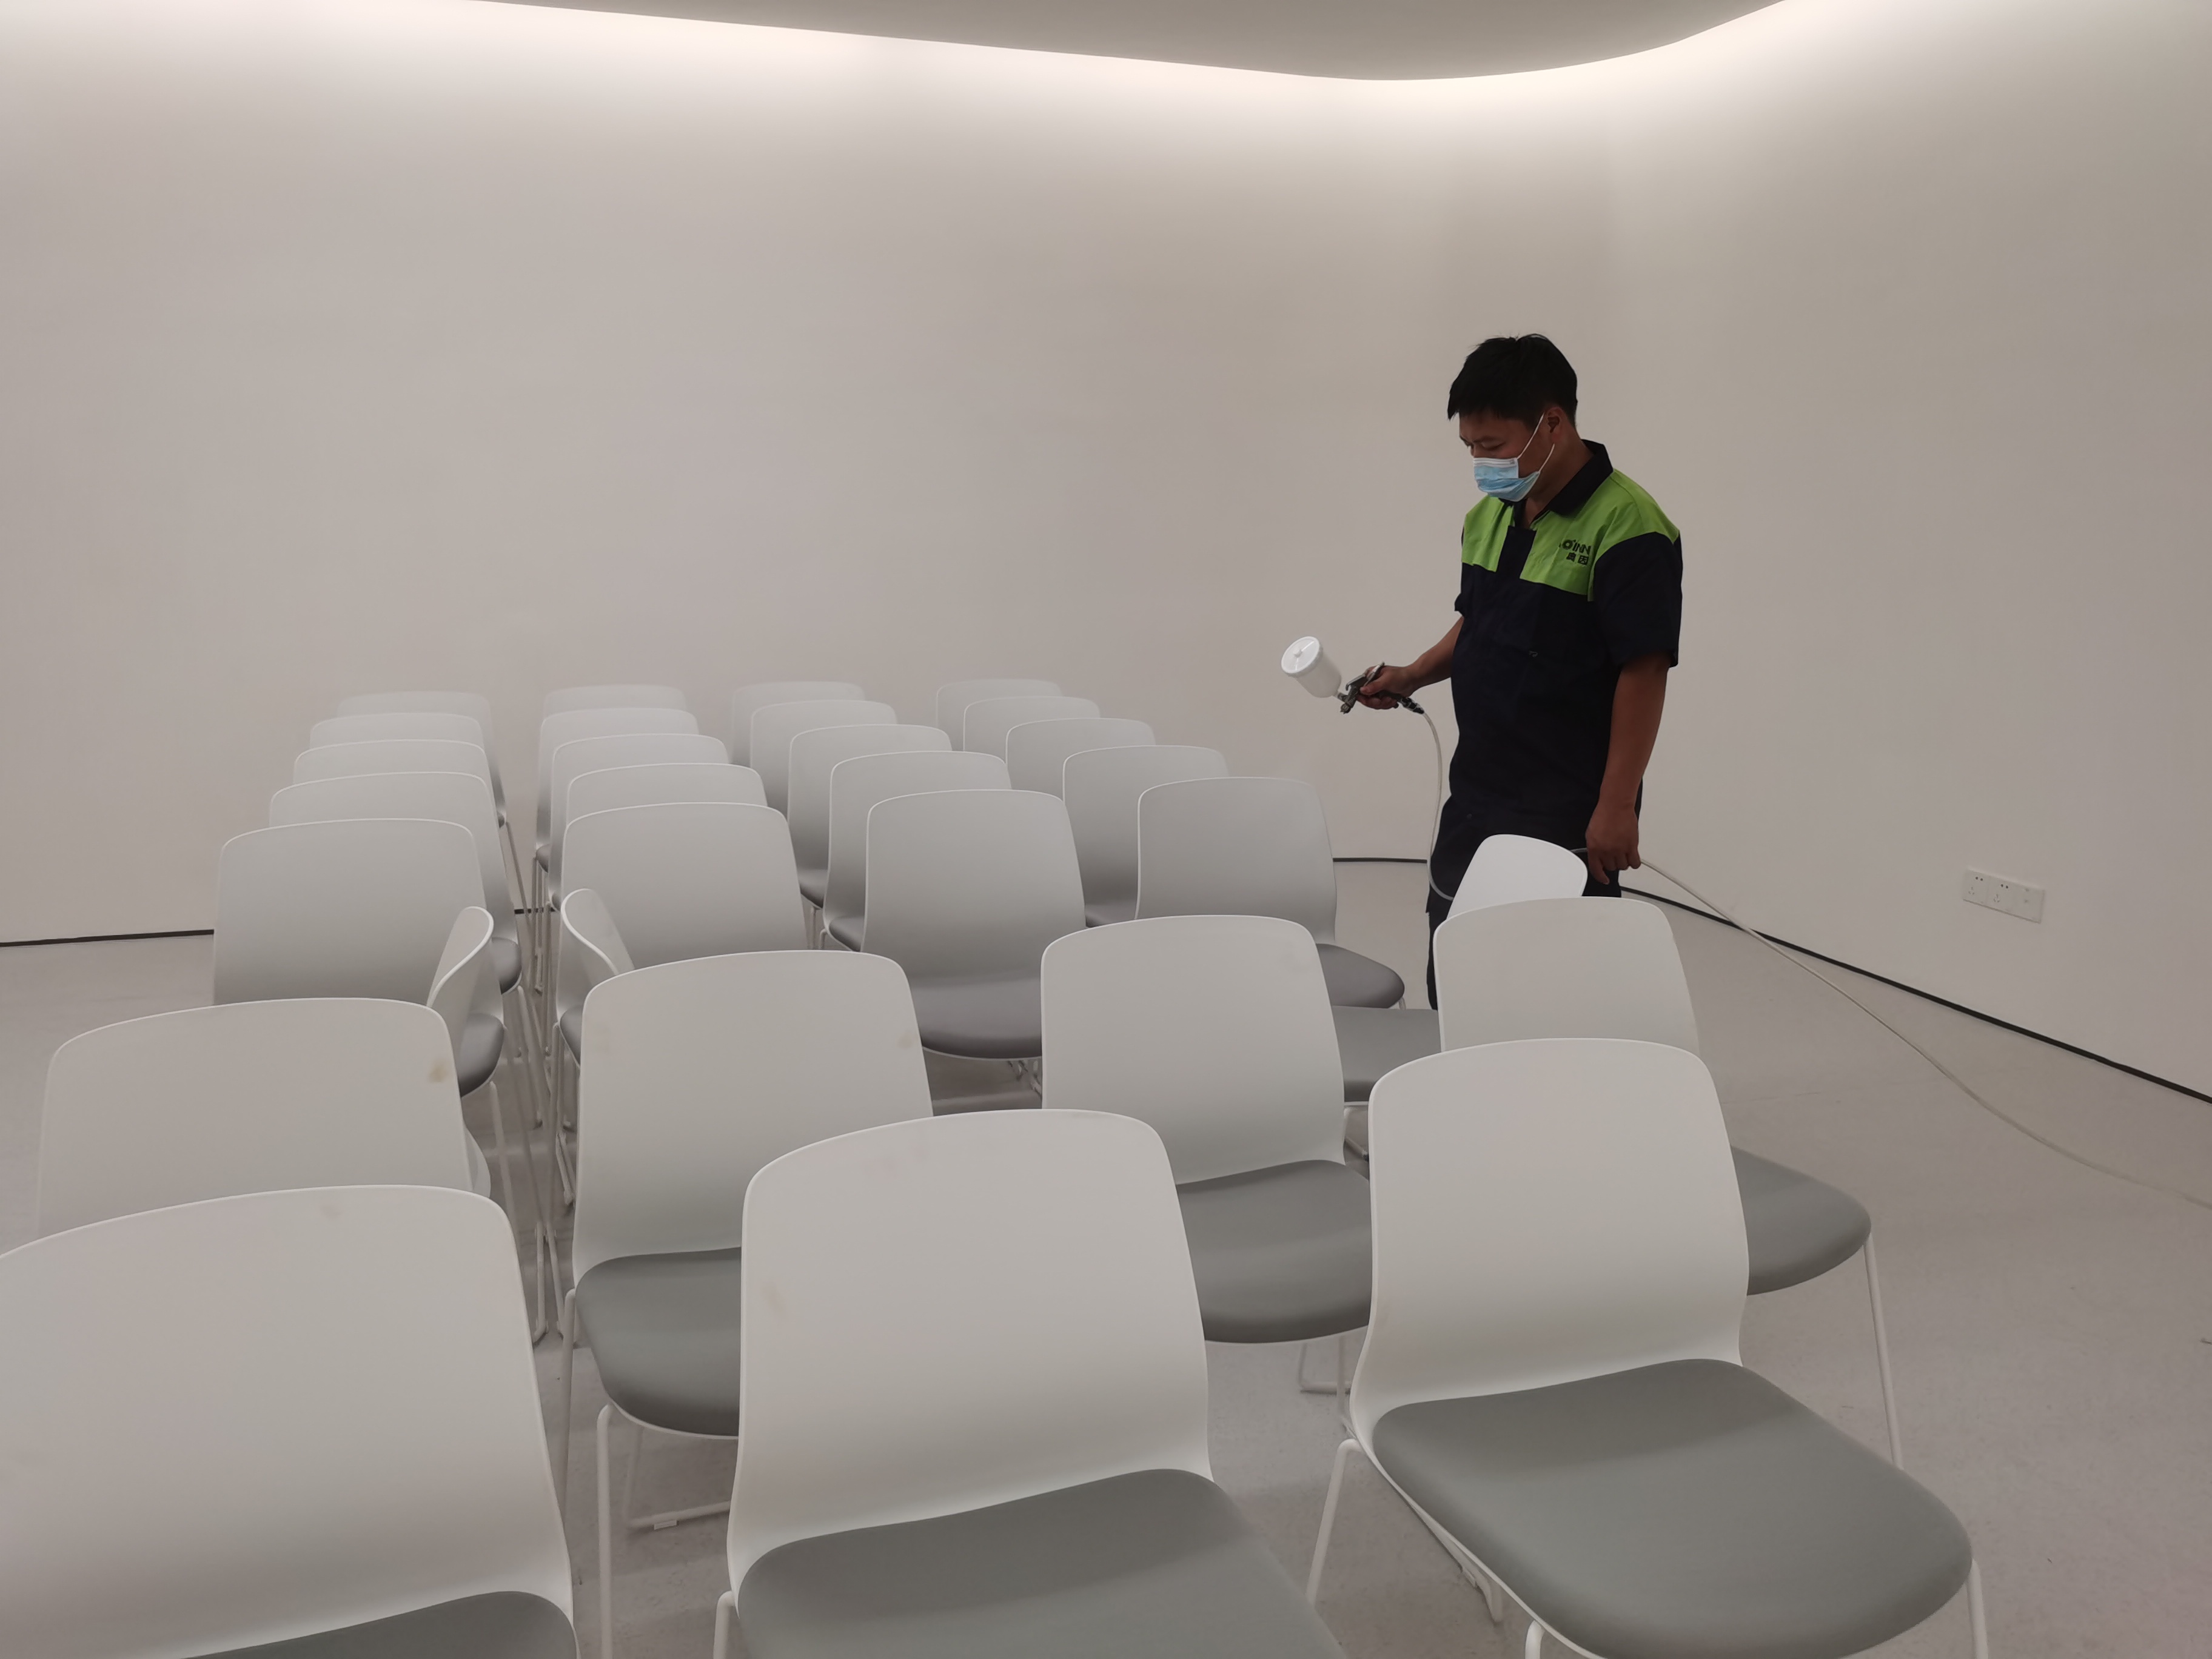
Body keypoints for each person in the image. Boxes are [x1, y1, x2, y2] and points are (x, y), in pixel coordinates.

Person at [1357, 335, 1681, 989]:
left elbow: (1643, 670)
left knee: (1547, 987)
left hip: (1566, 808)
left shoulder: (1630, 526)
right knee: (1456, 974)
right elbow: (1481, 623)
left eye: (1493, 445)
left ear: (1552, 424)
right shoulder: (1489, 517)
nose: (1482, 463)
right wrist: (1412, 674)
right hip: (1478, 792)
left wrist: (1617, 805)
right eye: (1470, 448)